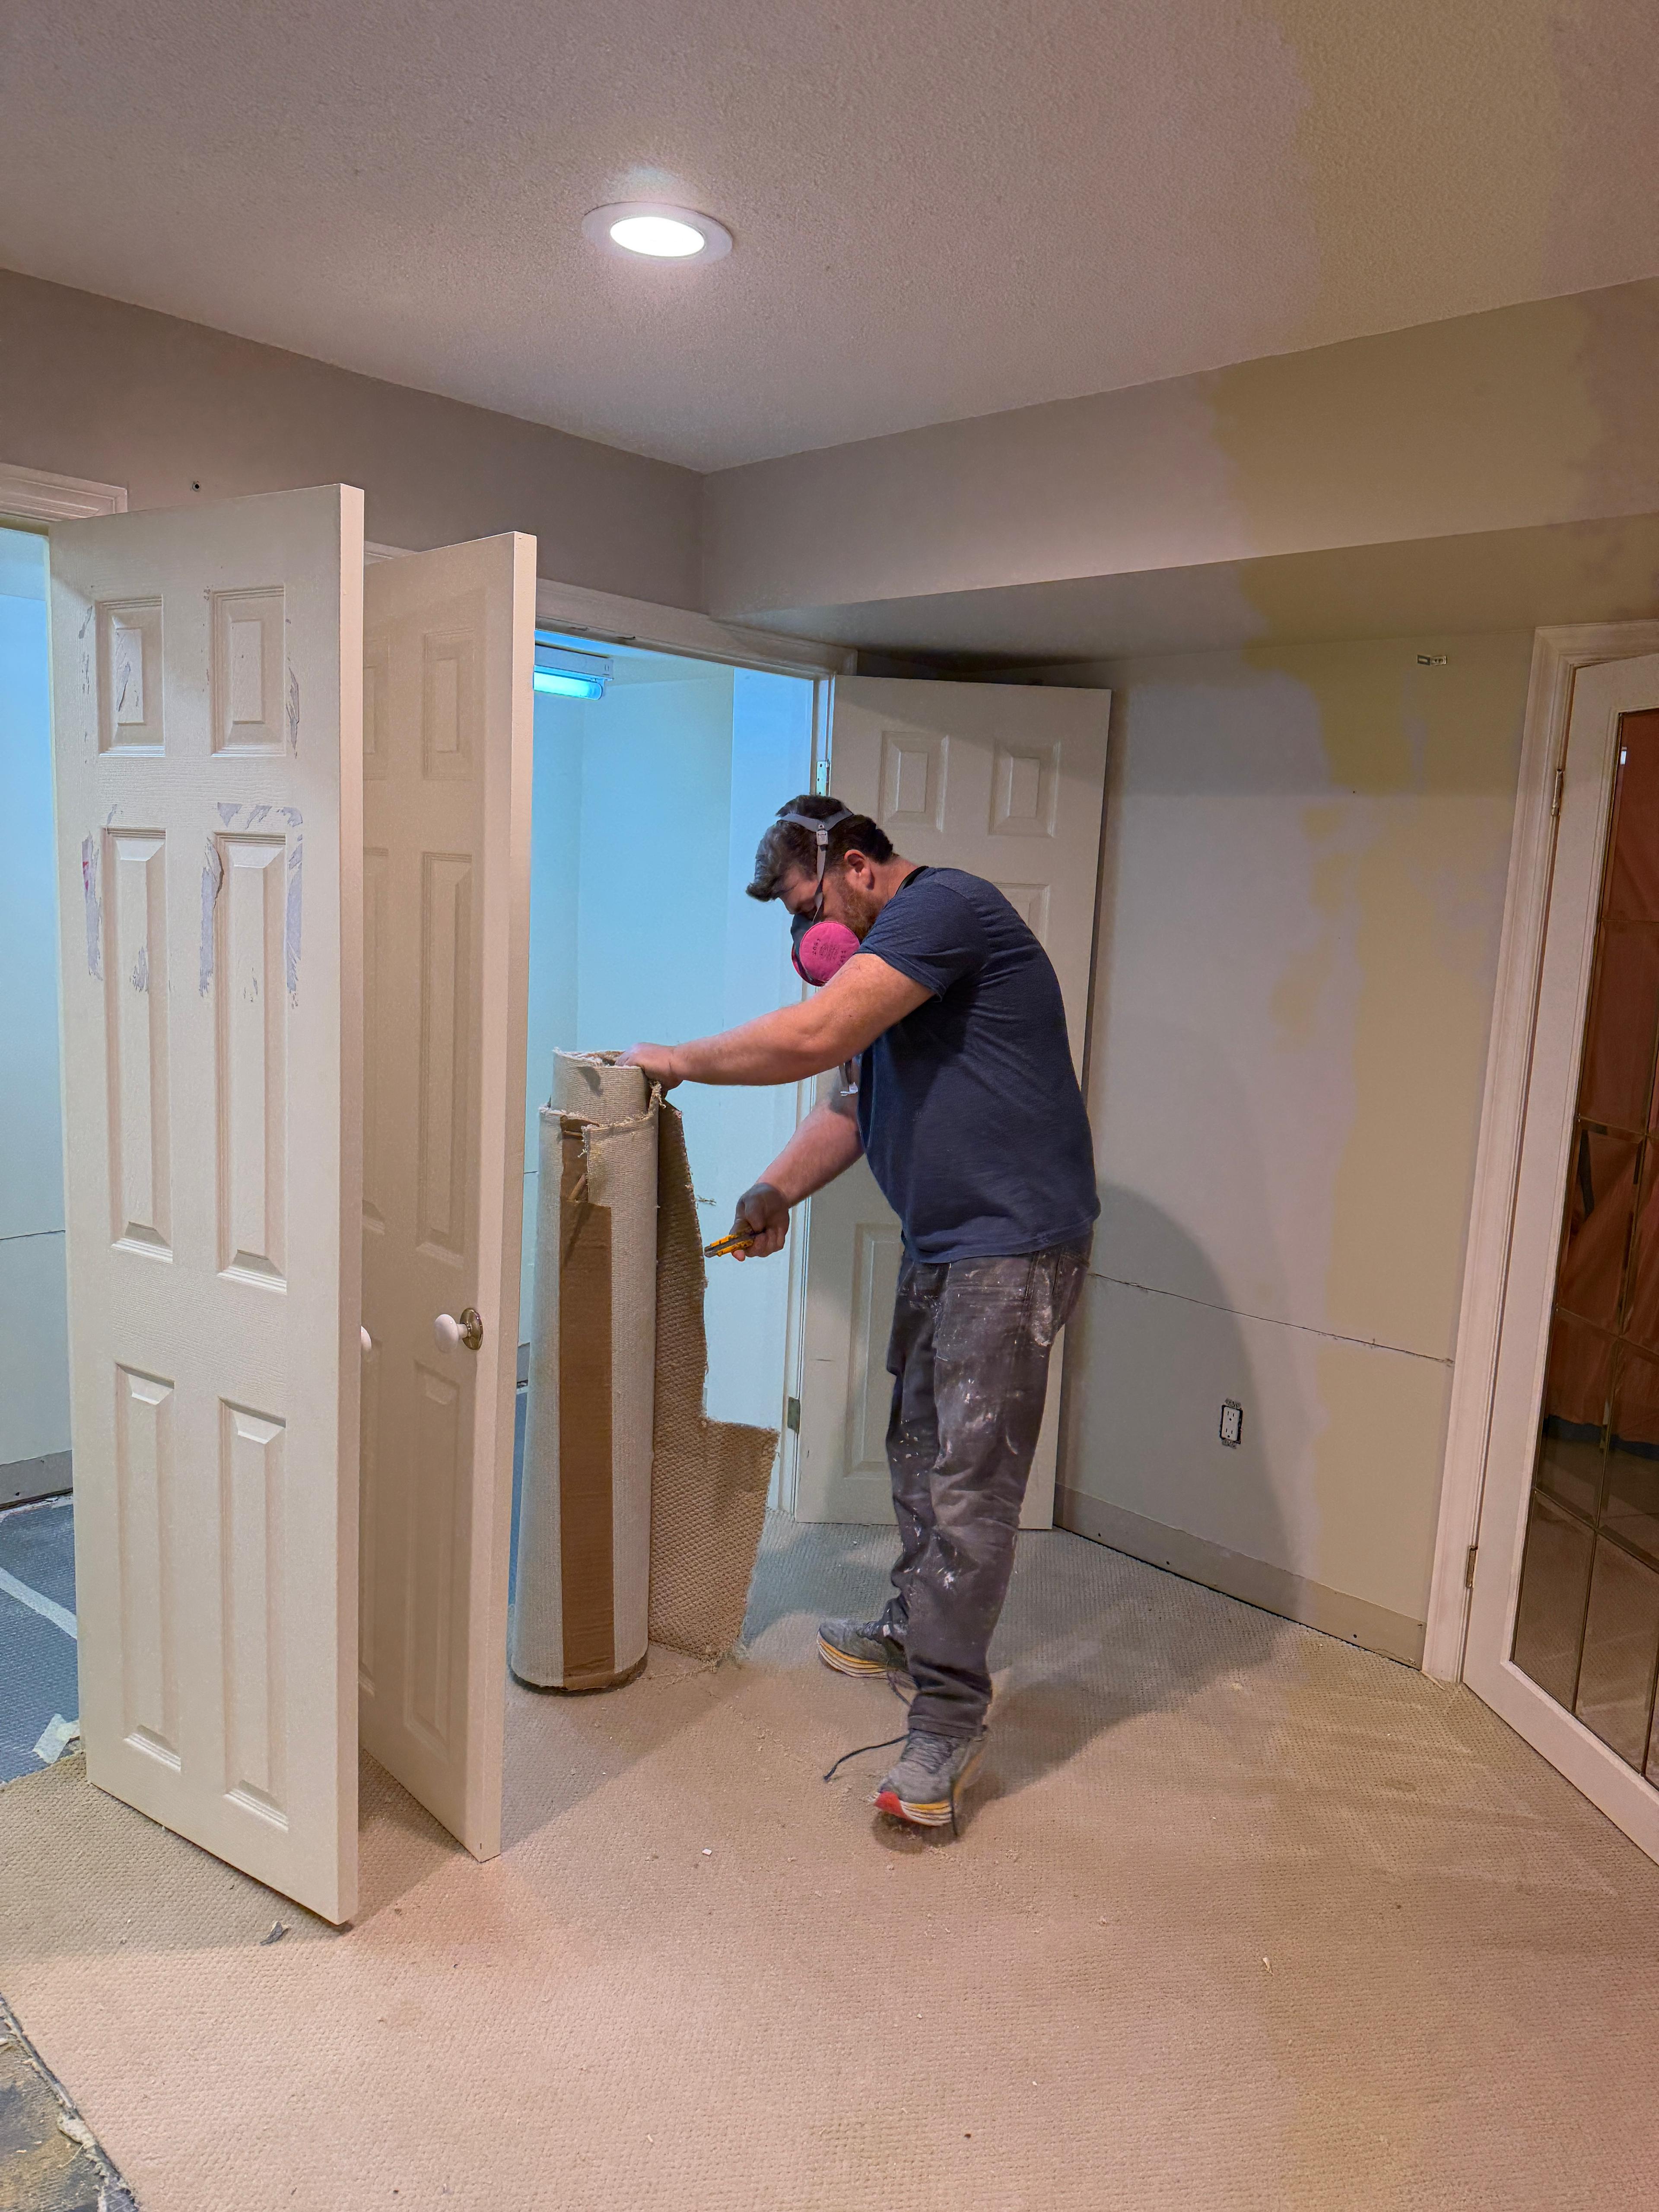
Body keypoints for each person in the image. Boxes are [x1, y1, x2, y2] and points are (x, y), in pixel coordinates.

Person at [622, 794, 1096, 1830]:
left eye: (808, 905)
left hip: (1011, 1242)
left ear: (857, 866)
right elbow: (852, 1103)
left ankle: (947, 1718)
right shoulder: (891, 977)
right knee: (919, 1448)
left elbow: (817, 1034)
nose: (806, 936)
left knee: (970, 1484)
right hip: (949, 1239)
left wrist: (673, 1059)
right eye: (791, 921)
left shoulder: (945, 910)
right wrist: (772, 1191)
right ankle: (913, 1625)